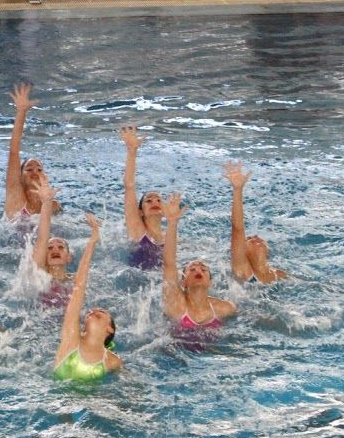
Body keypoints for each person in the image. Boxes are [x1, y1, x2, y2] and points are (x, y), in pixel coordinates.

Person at [53, 213, 121, 381]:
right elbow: (78, 288)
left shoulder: (112, 361)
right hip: (60, 404)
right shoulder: (71, 340)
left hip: (93, 402)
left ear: (109, 329)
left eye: (101, 312)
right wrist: (92, 241)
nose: (93, 310)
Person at [161, 193, 236, 345]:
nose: (198, 271)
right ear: (183, 282)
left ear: (211, 282)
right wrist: (172, 223)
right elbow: (169, 263)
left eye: (204, 269)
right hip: (175, 352)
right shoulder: (176, 304)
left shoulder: (224, 308)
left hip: (213, 353)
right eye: (192, 269)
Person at [4, 83, 61, 219]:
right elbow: (14, 152)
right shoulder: (15, 195)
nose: (35, 173)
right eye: (29, 169)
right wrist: (21, 112)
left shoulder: (53, 205)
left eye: (39, 170)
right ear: (20, 177)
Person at [224, 161, 287, 284]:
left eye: (255, 237)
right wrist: (238, 189)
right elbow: (237, 229)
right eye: (249, 239)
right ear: (243, 252)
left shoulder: (279, 274)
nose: (256, 237)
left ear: (267, 254)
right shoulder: (242, 270)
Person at [120, 126, 164, 269]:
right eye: (148, 201)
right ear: (140, 211)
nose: (154, 202)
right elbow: (129, 186)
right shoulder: (137, 230)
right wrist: (132, 152)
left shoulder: (171, 237)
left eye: (158, 200)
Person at [31, 179, 72, 306]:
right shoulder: (40, 274)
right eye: (49, 248)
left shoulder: (75, 280)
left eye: (61, 247)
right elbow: (42, 237)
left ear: (69, 257)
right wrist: (47, 202)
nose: (55, 250)